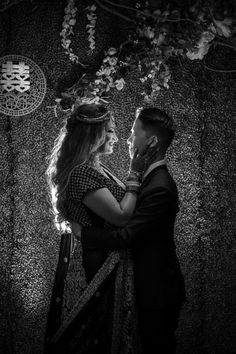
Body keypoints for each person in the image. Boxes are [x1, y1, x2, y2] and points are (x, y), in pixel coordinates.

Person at [79, 107, 186, 354]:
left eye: (133, 134)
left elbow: (127, 236)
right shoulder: (148, 178)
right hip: (148, 289)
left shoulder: (160, 186)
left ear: (151, 142)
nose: (128, 141)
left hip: (158, 293)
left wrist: (82, 233)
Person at [44, 103, 149, 354]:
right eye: (110, 131)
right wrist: (135, 173)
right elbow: (122, 216)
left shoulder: (96, 167)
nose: (115, 136)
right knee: (102, 334)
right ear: (94, 135)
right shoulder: (82, 173)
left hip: (109, 260)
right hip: (100, 265)